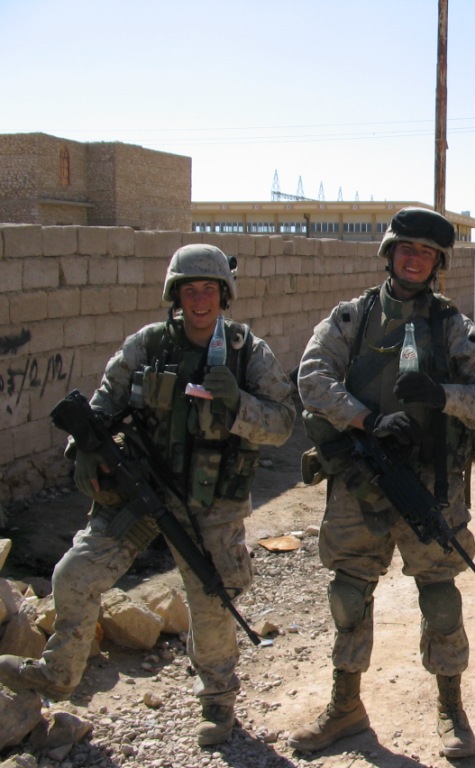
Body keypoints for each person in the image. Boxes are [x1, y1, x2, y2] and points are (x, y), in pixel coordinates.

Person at [0, 244, 296, 746]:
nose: (199, 300)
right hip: (142, 490)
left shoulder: (248, 353)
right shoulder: (147, 345)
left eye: (208, 289)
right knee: (74, 574)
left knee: (212, 601)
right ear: (174, 294)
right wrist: (86, 454)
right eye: (189, 289)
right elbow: (100, 407)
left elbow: (284, 424)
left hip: (211, 503)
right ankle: (58, 673)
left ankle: (219, 702)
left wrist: (236, 403)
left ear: (224, 295)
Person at [291, 206, 475, 758]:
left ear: (437, 264)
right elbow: (311, 377)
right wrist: (364, 418)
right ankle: (345, 708)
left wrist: (444, 397)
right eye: (406, 250)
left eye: (426, 253)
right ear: (389, 254)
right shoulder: (352, 318)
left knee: (439, 598)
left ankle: (450, 710)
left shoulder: (452, 326)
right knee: (348, 594)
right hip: (362, 479)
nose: (414, 260)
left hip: (432, 484)